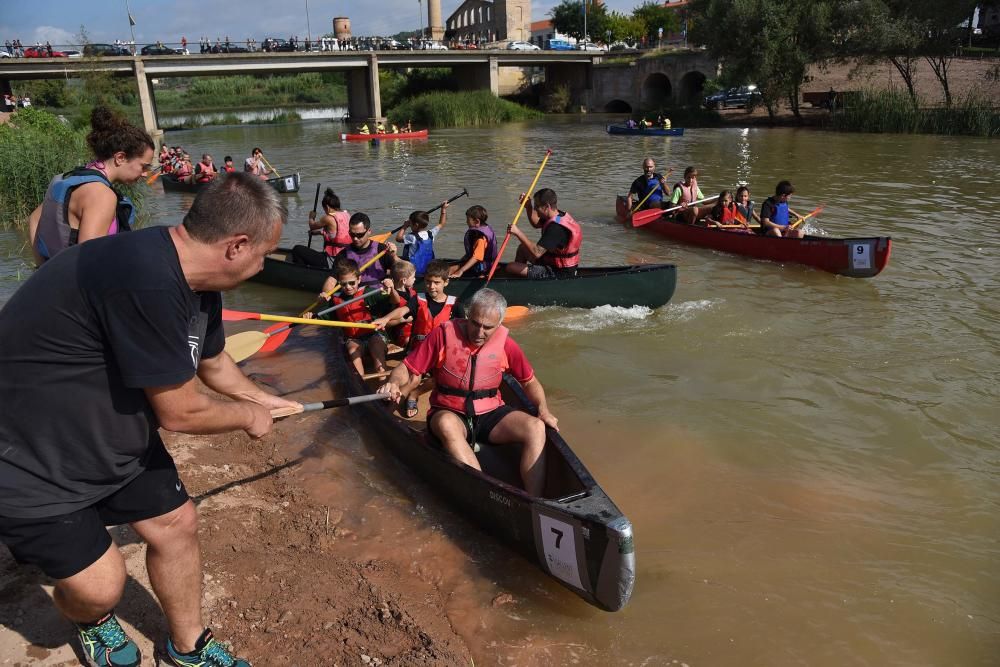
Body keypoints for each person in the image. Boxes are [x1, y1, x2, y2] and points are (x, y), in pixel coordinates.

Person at [0, 173, 299, 667]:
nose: (264, 264)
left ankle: (188, 647)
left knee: (176, 523)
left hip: (104, 431)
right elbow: (180, 412)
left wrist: (263, 399)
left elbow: (213, 362)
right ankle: (90, 620)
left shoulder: (195, 280)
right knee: (100, 589)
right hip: (29, 455)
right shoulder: (146, 278)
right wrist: (247, 416)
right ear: (236, 245)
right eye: (265, 253)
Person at [378, 289, 556, 496]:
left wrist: (543, 409)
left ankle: (534, 501)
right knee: (446, 425)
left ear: (499, 325)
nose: (479, 332)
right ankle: (486, 494)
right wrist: (393, 383)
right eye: (475, 323)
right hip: (449, 411)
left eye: (487, 328)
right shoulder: (442, 335)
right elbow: (406, 368)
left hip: (490, 413)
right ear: (468, 316)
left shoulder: (507, 344)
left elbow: (530, 382)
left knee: (536, 426)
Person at [28, 106, 154, 266]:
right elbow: (89, 260)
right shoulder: (102, 196)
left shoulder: (73, 177)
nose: (145, 174)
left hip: (55, 280)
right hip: (77, 287)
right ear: (120, 157)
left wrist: (42, 268)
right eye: (143, 166)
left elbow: (34, 219)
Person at [319, 258, 408, 377]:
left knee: (377, 351)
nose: (348, 287)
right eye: (343, 284)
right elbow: (319, 319)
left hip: (374, 334)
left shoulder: (369, 293)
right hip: (353, 339)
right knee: (352, 351)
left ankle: (383, 381)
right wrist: (314, 310)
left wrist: (391, 289)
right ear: (338, 283)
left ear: (359, 279)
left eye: (352, 283)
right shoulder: (335, 300)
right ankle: (359, 382)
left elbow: (396, 301)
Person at [505, 188, 582, 279]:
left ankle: (517, 284)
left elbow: (537, 252)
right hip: (551, 261)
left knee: (510, 267)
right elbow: (536, 223)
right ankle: (520, 279)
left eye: (537, 206)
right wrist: (528, 207)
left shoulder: (556, 228)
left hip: (558, 272)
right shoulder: (557, 216)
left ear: (547, 206)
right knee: (522, 249)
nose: (535, 209)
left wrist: (517, 232)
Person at [290, 188, 351, 268]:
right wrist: (319, 232)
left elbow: (312, 226)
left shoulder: (328, 218)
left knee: (297, 249)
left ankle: (302, 271)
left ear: (327, 207)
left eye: (324, 209)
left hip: (333, 260)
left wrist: (311, 217)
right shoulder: (347, 215)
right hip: (347, 255)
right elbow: (337, 234)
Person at [395, 201, 447, 275]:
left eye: (411, 224)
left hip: (412, 270)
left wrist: (404, 227)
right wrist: (443, 210)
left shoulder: (411, 237)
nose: (410, 225)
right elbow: (442, 223)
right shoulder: (431, 234)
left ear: (415, 225)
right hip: (428, 268)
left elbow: (398, 238)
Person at [449, 205, 497, 279]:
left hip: (481, 270)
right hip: (485, 265)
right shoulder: (485, 229)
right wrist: (463, 259)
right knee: (453, 267)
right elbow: (475, 252)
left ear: (477, 221)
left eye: (468, 220)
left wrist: (461, 270)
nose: (466, 222)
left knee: (449, 270)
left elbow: (476, 257)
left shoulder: (480, 238)